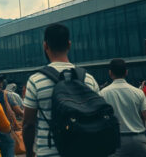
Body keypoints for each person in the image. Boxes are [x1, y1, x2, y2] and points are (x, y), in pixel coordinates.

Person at [22, 23, 99, 157]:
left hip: (48, 152)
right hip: (84, 150)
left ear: (45, 46)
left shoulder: (36, 80)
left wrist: (29, 152)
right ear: (69, 44)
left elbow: (28, 124)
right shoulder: (89, 79)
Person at [100, 59, 146, 157]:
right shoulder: (138, 92)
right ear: (126, 72)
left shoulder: (103, 93)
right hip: (139, 139)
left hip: (116, 140)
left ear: (110, 73)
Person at [0, 76, 19, 157]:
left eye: (1, 83)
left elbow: (9, 110)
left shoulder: (3, 94)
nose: (0, 85)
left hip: (4, 126)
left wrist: (13, 123)